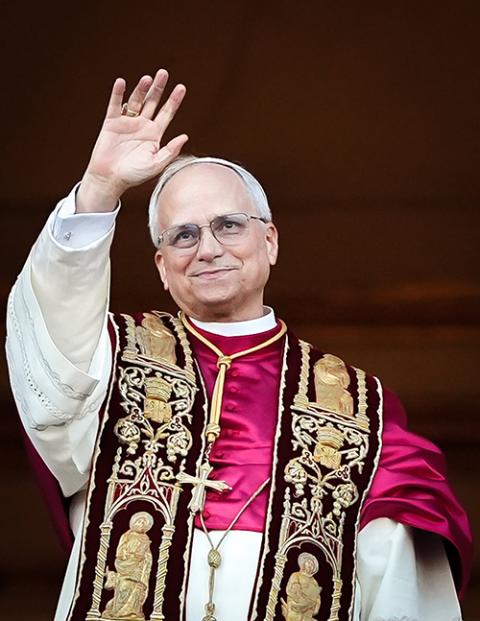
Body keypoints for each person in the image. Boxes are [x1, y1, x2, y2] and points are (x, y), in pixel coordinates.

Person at [6, 69, 472, 621]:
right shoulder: (109, 356)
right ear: (161, 266)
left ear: (269, 241)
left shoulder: (358, 405)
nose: (207, 249)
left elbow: (398, 581)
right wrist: (100, 189)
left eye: (228, 225)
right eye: (183, 234)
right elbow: (48, 350)